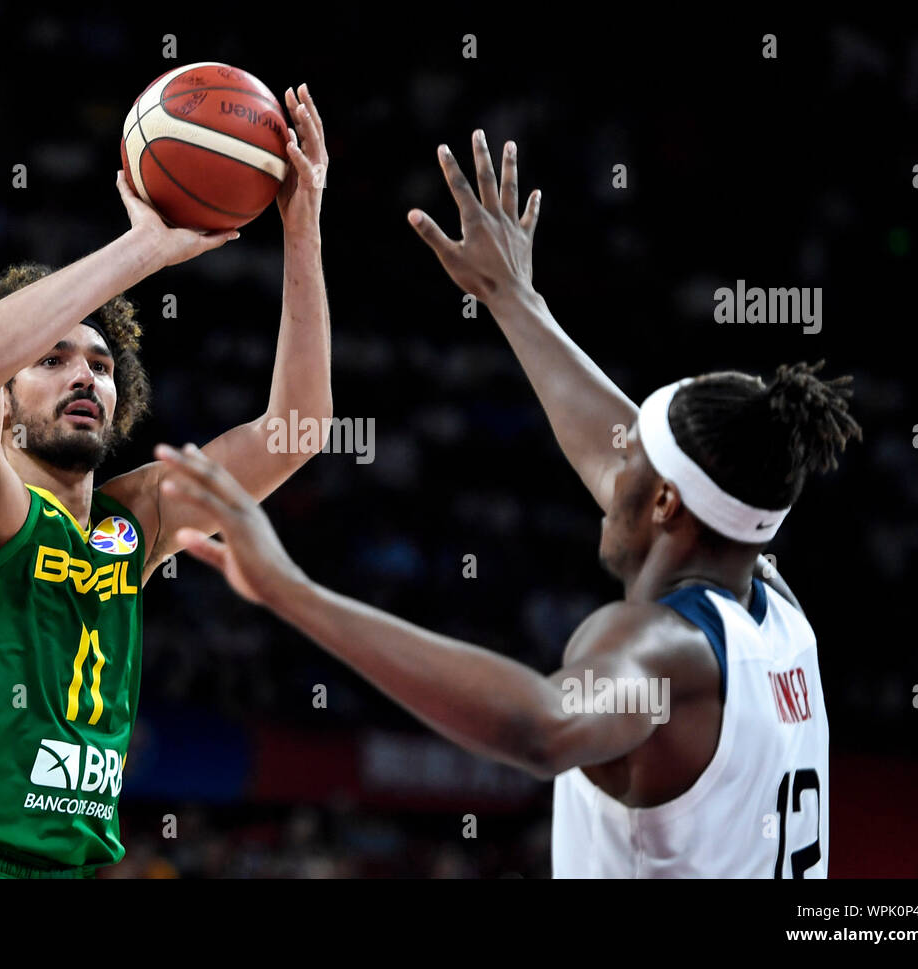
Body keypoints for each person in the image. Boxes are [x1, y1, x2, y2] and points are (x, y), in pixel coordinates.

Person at [152, 129, 860, 878]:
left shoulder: (662, 649)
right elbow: (629, 453)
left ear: (665, 506)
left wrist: (289, 590)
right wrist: (514, 299)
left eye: (635, 469)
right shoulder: (777, 614)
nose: (612, 471)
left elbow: (542, 727)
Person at [0, 85, 332, 879]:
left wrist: (300, 224)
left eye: (101, 363)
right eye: (51, 358)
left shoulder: (137, 521)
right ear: (7, 407)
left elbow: (299, 429)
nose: (84, 374)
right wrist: (148, 248)